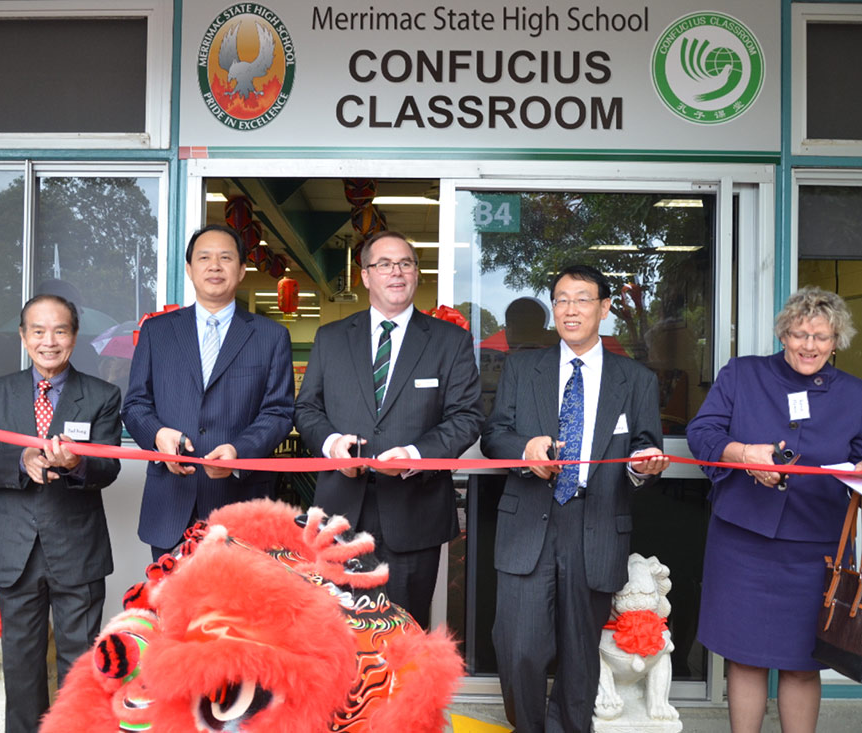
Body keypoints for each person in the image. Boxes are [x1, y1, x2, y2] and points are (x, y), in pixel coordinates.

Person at [481, 264, 668, 732]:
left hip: (597, 521)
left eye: (582, 299)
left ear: (604, 308)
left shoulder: (636, 379)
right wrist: (524, 451)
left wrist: (643, 466)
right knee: (519, 648)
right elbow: (494, 435)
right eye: (561, 299)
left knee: (581, 656)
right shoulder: (523, 368)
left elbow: (646, 446)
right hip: (529, 521)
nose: (570, 309)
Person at [687, 286, 862, 733]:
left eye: (821, 336)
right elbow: (702, 434)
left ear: (836, 341)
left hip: (817, 548)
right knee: (746, 656)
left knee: (801, 662)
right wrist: (742, 454)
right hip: (743, 539)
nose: (809, 346)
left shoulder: (857, 394)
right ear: (783, 334)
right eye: (799, 334)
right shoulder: (741, 374)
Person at [294, 230, 483, 629]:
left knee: (405, 639)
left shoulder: (450, 341)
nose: (396, 273)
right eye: (384, 264)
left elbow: (467, 416)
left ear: (417, 274)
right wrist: (332, 445)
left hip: (415, 513)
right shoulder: (331, 338)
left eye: (406, 263)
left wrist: (414, 456)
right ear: (365, 276)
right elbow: (307, 408)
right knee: (337, 636)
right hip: (340, 514)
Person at [0, 294, 122, 733]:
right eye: (38, 331)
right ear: (23, 336)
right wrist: (20, 463)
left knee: (79, 667)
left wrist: (77, 465)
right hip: (16, 549)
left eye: (60, 330)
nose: (48, 341)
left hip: (78, 547)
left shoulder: (102, 396)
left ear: (74, 336)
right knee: (21, 666)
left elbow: (109, 467)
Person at [122, 224, 294, 559]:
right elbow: (135, 405)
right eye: (204, 257)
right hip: (171, 501)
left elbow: (279, 412)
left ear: (242, 270)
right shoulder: (157, 332)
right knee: (172, 607)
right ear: (189, 269)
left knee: (238, 609)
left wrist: (239, 450)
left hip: (241, 502)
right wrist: (158, 436)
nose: (214, 266)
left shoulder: (270, 336)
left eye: (225, 257)